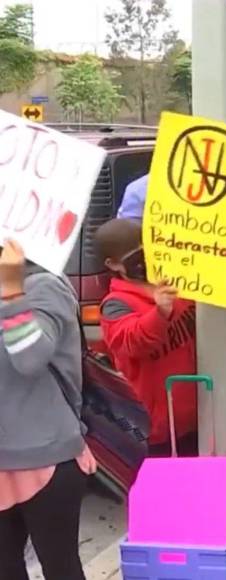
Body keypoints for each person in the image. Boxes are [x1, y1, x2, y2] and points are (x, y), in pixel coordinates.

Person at [0, 239, 97, 580]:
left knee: (60, 566)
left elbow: (29, 358)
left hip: (47, 457)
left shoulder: (44, 285)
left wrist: (11, 294)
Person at [95, 219, 198, 457]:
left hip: (196, 417)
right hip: (156, 431)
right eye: (135, 256)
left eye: (148, 248)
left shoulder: (176, 284)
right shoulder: (115, 304)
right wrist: (159, 313)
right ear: (113, 264)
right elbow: (132, 341)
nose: (145, 258)